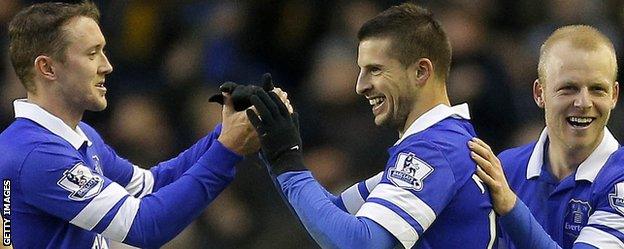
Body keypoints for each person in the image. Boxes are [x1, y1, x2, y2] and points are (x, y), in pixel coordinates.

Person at [0, 2, 260, 248]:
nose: (107, 66)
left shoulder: (78, 136)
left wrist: (227, 130)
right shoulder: (36, 155)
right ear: (47, 68)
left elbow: (151, 184)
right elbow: (144, 225)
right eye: (92, 54)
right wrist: (227, 150)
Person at [245, 3, 497, 248]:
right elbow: (331, 214)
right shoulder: (444, 141)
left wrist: (287, 160)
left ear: (421, 72)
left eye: (375, 70)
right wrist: (278, 151)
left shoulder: (433, 151)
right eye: (360, 70)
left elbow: (359, 243)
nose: (360, 86)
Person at [468, 25, 621, 248]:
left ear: (614, 96)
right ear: (540, 93)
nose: (584, 103)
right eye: (569, 88)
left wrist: (511, 208)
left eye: (598, 89)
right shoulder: (506, 168)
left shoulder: (619, 181)